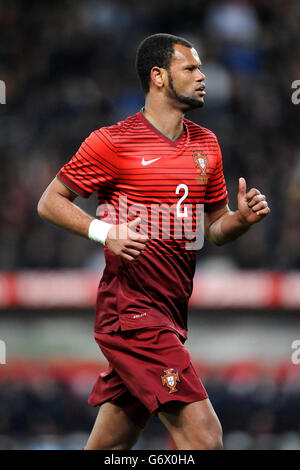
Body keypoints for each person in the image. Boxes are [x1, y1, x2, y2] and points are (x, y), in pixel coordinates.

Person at [37, 33, 270, 450]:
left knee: (108, 447)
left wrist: (241, 221)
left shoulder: (206, 144)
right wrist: (104, 231)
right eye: (191, 68)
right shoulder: (112, 142)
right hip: (132, 315)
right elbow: (49, 201)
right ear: (159, 76)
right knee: (205, 438)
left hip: (171, 312)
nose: (203, 77)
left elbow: (215, 229)